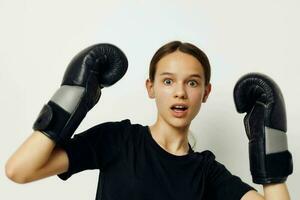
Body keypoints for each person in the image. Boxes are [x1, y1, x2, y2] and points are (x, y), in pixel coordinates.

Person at [5, 41, 292, 200]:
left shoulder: (206, 171)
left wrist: (271, 139)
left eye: (192, 83)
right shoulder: (117, 140)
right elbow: (20, 170)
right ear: (150, 87)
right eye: (168, 81)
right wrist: (70, 98)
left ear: (205, 93)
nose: (180, 92)